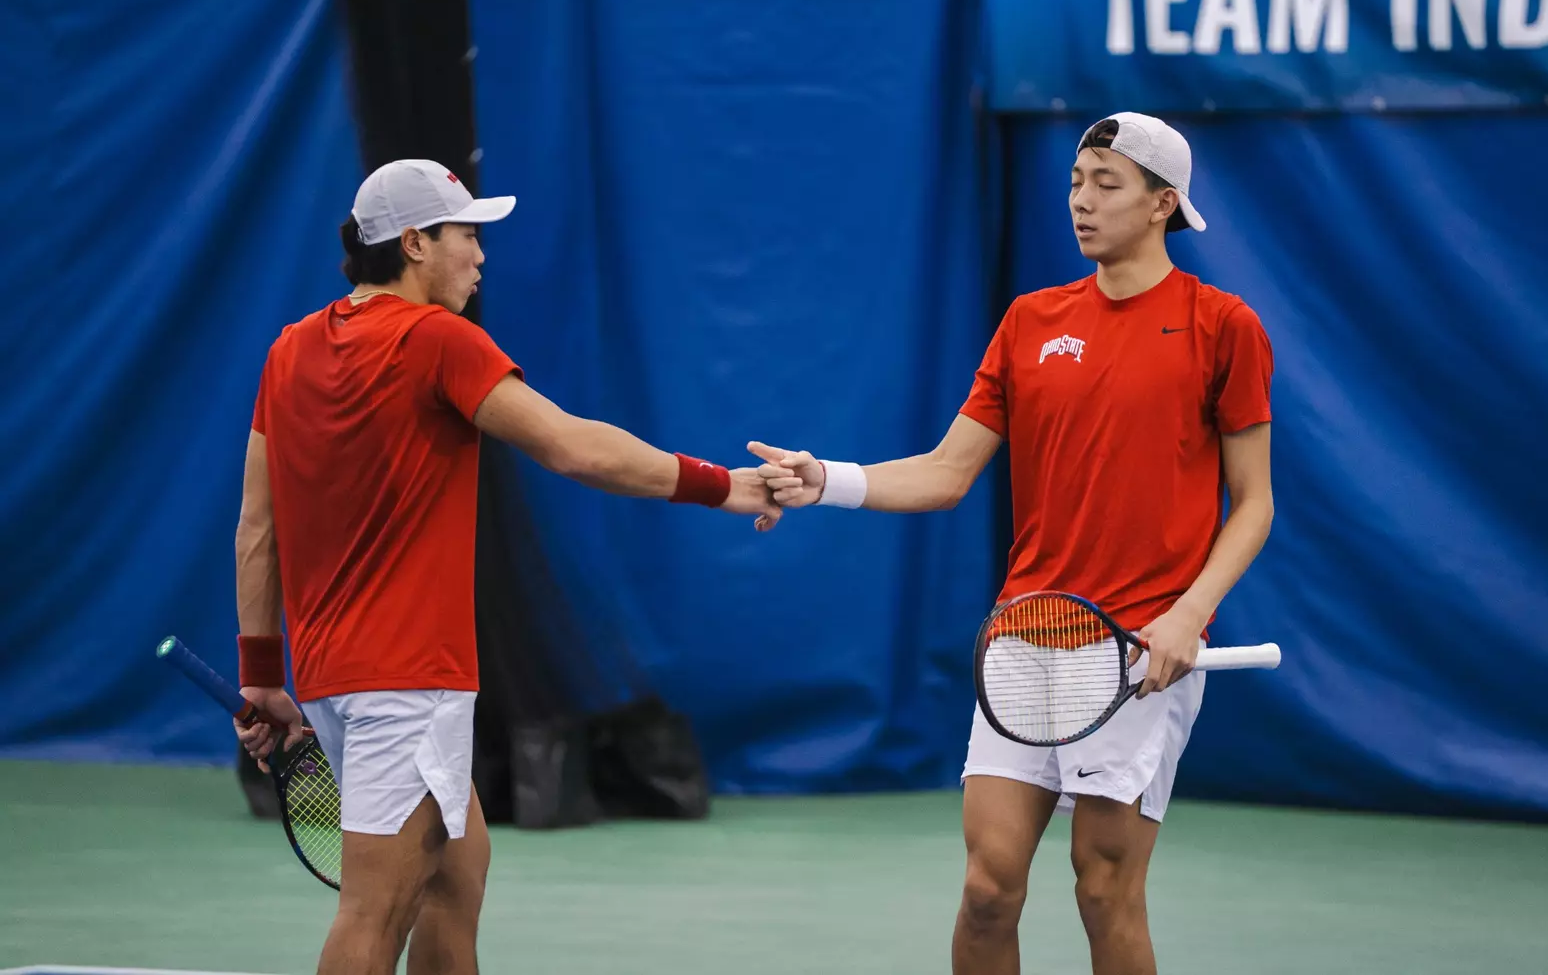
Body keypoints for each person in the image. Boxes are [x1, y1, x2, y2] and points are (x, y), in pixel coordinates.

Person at [749, 113, 1274, 975]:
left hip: (1140, 650)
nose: (1081, 200)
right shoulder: (1031, 321)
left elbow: (1252, 505)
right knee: (989, 891)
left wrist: (1191, 614)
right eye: (1076, 181)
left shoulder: (1224, 327)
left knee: (1104, 891)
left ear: (1162, 204)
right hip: (1025, 641)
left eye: (1107, 183)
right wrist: (829, 480)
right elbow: (947, 472)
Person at [232, 159, 781, 975]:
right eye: (467, 235)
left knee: (458, 876)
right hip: (407, 681)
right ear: (415, 243)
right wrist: (721, 486)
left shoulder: (290, 351)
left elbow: (256, 531)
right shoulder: (439, 341)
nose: (482, 255)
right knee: (374, 910)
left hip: (333, 679)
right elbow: (573, 446)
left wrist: (263, 676)